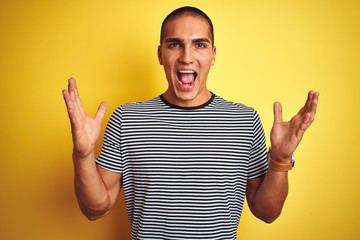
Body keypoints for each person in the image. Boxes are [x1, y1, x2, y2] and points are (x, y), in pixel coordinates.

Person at [62, 6, 319, 239]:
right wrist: (82, 155)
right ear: (160, 54)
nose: (186, 57)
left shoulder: (244, 120)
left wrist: (281, 159)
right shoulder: (127, 119)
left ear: (213, 54)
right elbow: (95, 210)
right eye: (174, 45)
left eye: (199, 45)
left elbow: (267, 213)